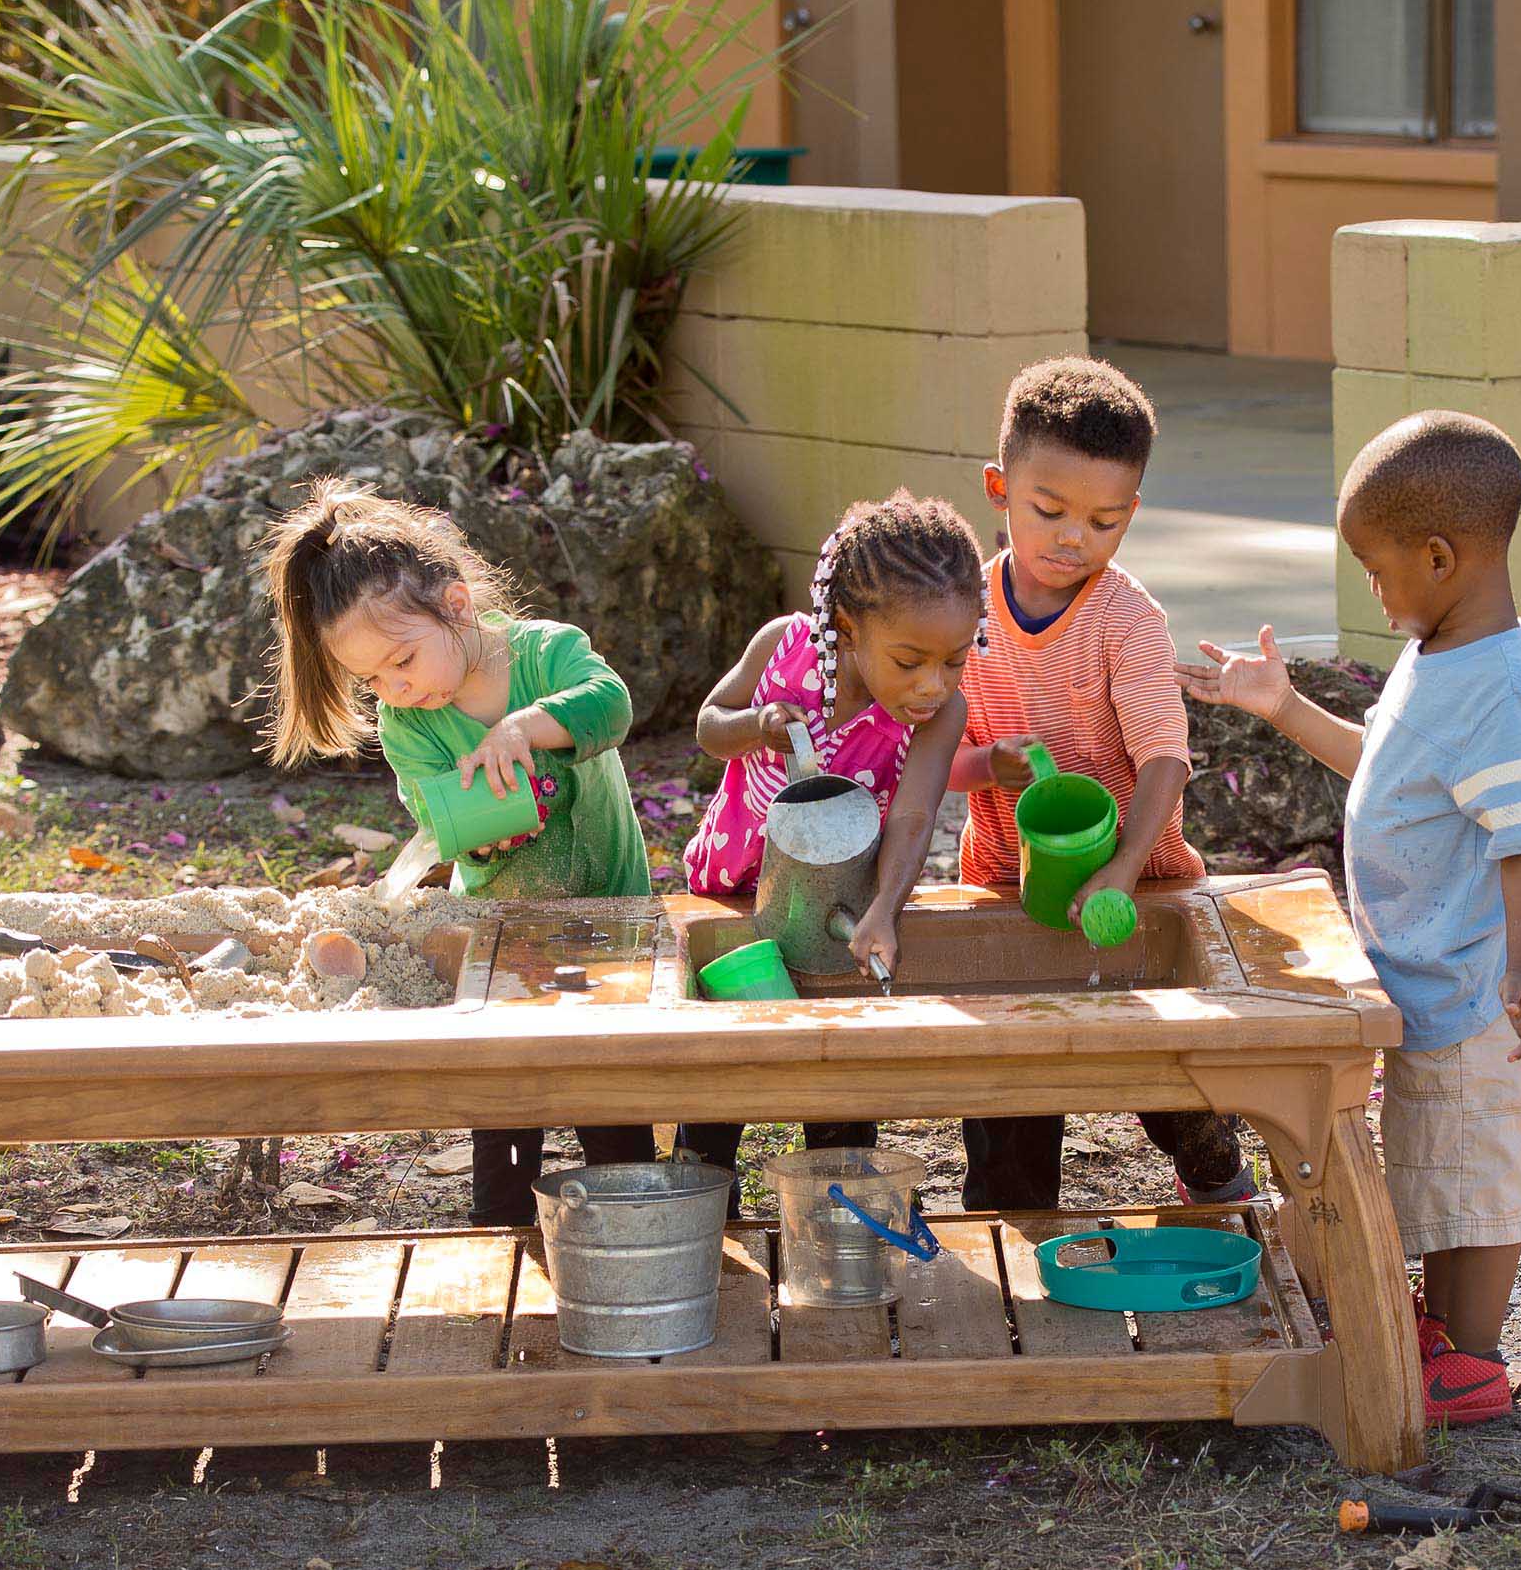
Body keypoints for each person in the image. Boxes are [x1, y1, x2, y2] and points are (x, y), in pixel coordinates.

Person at [1179, 410, 1521, 1425]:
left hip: (1483, 986)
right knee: (1434, 1166)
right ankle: (1442, 1334)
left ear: (1440, 557)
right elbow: (1392, 771)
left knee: (1474, 1179)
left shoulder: (1503, 684)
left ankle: (1472, 1368)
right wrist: (1283, 708)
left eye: (1378, 567)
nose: (1373, 588)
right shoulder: (1441, 653)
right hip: (1435, 979)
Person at [261, 481, 653, 1227]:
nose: (394, 688)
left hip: (613, 914)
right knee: (504, 1101)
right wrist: (481, 829)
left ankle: (639, 1224)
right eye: (371, 678)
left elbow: (612, 704)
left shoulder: (545, 654)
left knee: (612, 1094)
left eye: (402, 660)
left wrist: (524, 728)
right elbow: (431, 816)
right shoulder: (409, 724)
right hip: (502, 933)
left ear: (459, 606)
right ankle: (499, 1239)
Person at [948, 355, 1253, 1214]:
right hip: (1005, 884)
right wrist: (987, 767)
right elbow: (938, 761)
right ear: (999, 488)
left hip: (1141, 886)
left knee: (1166, 1077)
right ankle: (1012, 1228)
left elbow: (1164, 756)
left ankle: (1217, 1180)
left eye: (1105, 521)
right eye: (1049, 511)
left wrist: (1121, 866)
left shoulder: (1128, 620)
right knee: (1009, 1087)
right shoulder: (962, 615)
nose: (1073, 537)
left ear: (1133, 516)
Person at [679, 491, 983, 1191]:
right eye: (910, 661)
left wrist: (884, 908)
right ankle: (701, 1214)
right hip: (734, 901)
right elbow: (709, 724)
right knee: (722, 1085)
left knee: (840, 1091)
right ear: (845, 628)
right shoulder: (781, 645)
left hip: (837, 915)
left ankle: (839, 1220)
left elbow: (913, 815)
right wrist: (758, 723)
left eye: (955, 661)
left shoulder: (936, 716)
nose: (933, 684)